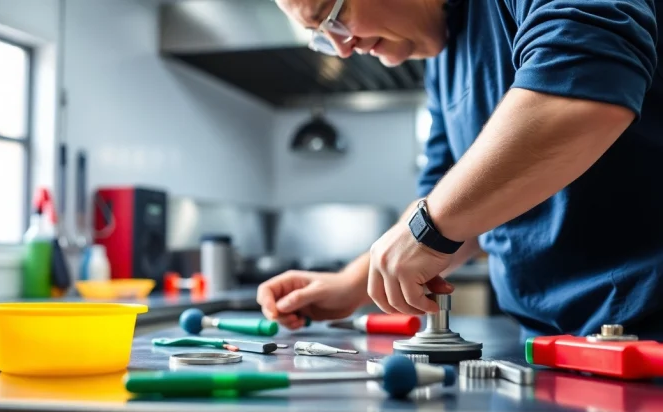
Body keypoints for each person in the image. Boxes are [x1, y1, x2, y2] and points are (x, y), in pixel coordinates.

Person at [258, 0, 663, 339]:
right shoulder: (442, 58)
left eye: (333, 16)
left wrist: (428, 228)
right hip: (552, 343)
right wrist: (350, 285)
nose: (342, 48)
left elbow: (588, 85)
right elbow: (449, 200)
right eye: (321, 37)